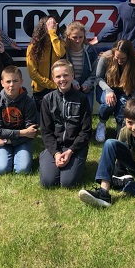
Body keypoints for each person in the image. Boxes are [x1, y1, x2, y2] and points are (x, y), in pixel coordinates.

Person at [39, 60, 92, 188]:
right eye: (58, 76)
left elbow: (86, 131)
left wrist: (70, 151)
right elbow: (46, 131)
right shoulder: (47, 99)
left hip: (75, 147)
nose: (62, 79)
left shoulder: (82, 99)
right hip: (55, 146)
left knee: (68, 183)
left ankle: (75, 161)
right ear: (53, 78)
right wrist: (56, 153)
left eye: (65, 75)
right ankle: (46, 156)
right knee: (48, 182)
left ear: (72, 76)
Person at [95, 39, 135, 143]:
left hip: (126, 90)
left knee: (125, 107)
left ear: (129, 56)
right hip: (106, 88)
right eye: (117, 57)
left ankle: (121, 132)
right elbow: (98, 78)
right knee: (109, 103)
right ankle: (102, 122)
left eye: (123, 58)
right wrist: (108, 90)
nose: (119, 60)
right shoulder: (105, 58)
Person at [0, 66, 38, 175]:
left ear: (21, 82)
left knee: (23, 170)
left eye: (15, 81)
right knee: (1, 170)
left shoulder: (28, 102)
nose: (11, 85)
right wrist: (23, 132)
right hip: (6, 139)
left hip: (19, 141)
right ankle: (8, 157)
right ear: (2, 83)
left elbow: (32, 133)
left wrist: (7, 141)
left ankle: (16, 156)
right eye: (8, 81)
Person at [26, 16, 67, 111]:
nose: (53, 26)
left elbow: (60, 53)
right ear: (43, 27)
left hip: (57, 88)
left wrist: (52, 33)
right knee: (42, 120)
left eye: (54, 25)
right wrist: (51, 84)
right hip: (40, 90)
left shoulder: (59, 42)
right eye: (49, 25)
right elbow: (33, 73)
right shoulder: (33, 47)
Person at [64, 21, 98, 110]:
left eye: (81, 37)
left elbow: (95, 71)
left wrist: (88, 83)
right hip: (68, 87)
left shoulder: (90, 50)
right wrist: (72, 81)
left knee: (87, 109)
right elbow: (61, 70)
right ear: (68, 36)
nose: (78, 40)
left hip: (86, 89)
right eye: (74, 37)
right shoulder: (63, 51)